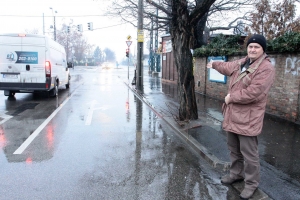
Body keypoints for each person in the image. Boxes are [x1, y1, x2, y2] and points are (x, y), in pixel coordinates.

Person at [206, 34, 275, 200]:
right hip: (233, 116)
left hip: (248, 119)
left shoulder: (266, 68)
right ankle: (236, 174)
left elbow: (254, 92)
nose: (252, 49)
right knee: (234, 149)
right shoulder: (244, 62)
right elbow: (228, 66)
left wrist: (231, 98)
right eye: (250, 46)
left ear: (263, 49)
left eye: (256, 47)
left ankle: (251, 184)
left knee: (250, 155)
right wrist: (214, 64)